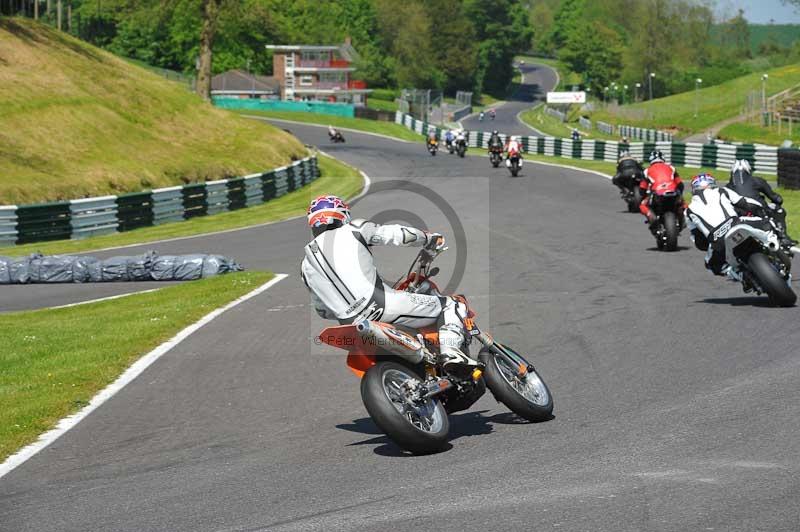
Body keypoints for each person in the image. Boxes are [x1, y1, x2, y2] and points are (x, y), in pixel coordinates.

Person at [301, 195, 478, 375]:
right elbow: (398, 234)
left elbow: (322, 310)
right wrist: (428, 238)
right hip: (382, 306)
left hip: (350, 325)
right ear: (343, 215)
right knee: (452, 304)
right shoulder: (354, 229)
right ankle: (451, 353)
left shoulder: (305, 267)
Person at [686, 173, 766, 280]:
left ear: (694, 189)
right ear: (713, 184)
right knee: (767, 222)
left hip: (717, 239)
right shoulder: (722, 190)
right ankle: (776, 243)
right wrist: (763, 209)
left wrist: (710, 243)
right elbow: (745, 203)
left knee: (711, 265)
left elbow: (698, 241)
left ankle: (739, 275)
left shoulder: (688, 210)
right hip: (736, 224)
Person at [727, 159, 792, 242]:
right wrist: (778, 200)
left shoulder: (727, 187)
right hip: (759, 211)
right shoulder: (757, 181)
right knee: (779, 210)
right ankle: (783, 237)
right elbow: (775, 197)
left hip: (738, 214)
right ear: (748, 170)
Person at [639, 150, 686, 229]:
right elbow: (680, 184)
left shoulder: (646, 171)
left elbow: (642, 189)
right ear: (663, 159)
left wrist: (644, 196)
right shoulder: (671, 168)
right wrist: (680, 195)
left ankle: (651, 216)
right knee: (683, 203)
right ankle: (682, 219)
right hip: (673, 193)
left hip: (657, 194)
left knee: (642, 205)